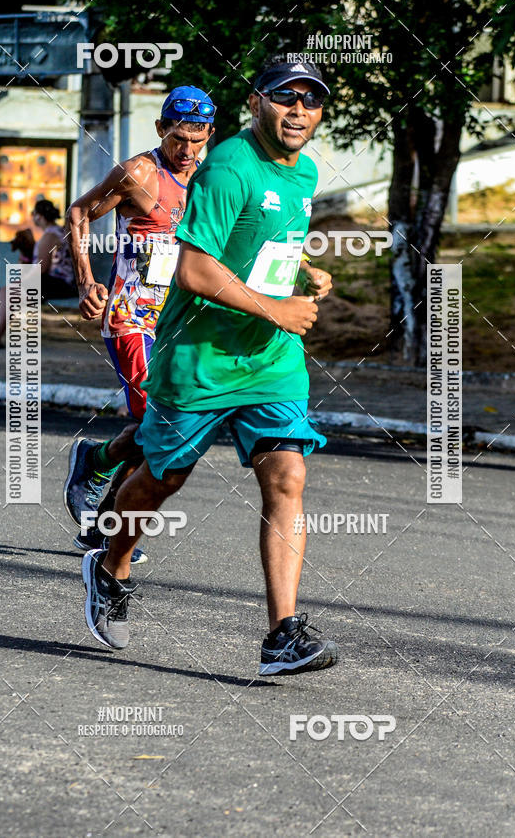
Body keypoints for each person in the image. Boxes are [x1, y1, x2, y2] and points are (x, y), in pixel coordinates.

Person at [80, 58, 339, 676]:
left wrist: (303, 272)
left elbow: (266, 239)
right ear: (256, 103)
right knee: (161, 478)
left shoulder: (304, 171)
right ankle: (110, 565)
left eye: (311, 100)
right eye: (286, 97)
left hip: (270, 360)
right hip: (200, 356)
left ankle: (282, 635)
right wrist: (277, 309)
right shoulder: (228, 166)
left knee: (287, 477)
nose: (299, 110)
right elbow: (194, 269)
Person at [63, 86, 216, 563]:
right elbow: (80, 212)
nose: (186, 150)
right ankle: (101, 487)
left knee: (160, 425)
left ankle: (98, 489)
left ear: (209, 135)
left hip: (177, 322)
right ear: (160, 129)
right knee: (157, 420)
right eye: (177, 138)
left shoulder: (210, 178)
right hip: (131, 316)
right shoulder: (139, 173)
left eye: (196, 140)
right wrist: (86, 281)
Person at [0, 200, 76, 348]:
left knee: (10, 291)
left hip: (58, 284)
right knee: (5, 291)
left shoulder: (50, 236)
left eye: (33, 214)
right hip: (56, 282)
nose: (32, 217)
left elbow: (42, 268)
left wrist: (22, 279)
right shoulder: (56, 232)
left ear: (39, 216)